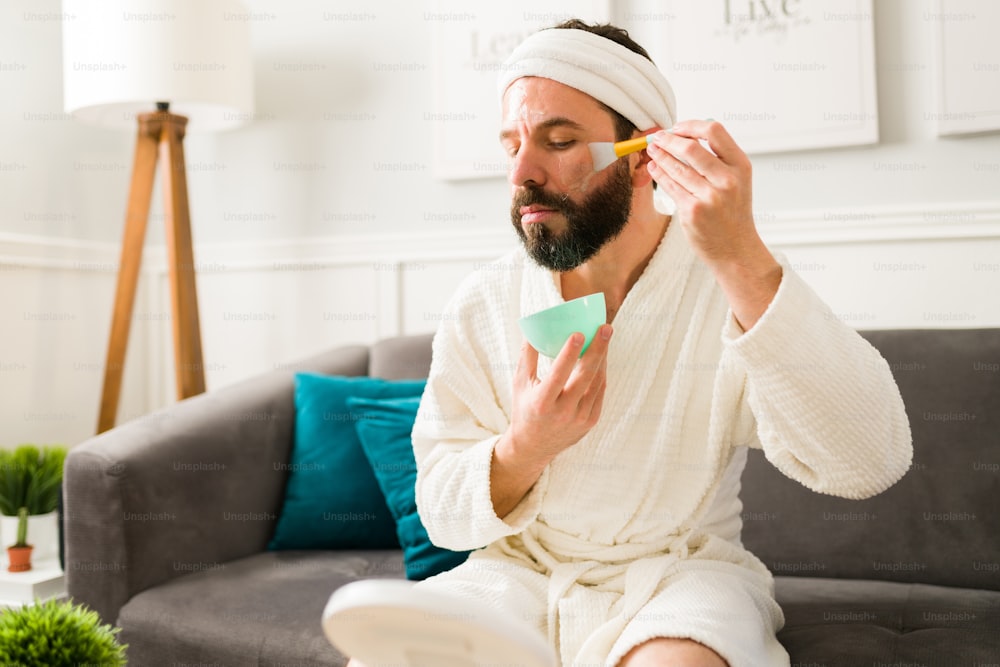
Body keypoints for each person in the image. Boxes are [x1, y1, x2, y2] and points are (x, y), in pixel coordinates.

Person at [350, 19, 912, 667]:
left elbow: (871, 461)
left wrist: (744, 259)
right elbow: (444, 517)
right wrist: (523, 449)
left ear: (643, 154)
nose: (522, 173)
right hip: (515, 578)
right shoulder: (485, 302)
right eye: (511, 146)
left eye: (558, 140)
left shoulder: (727, 281)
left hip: (680, 579)